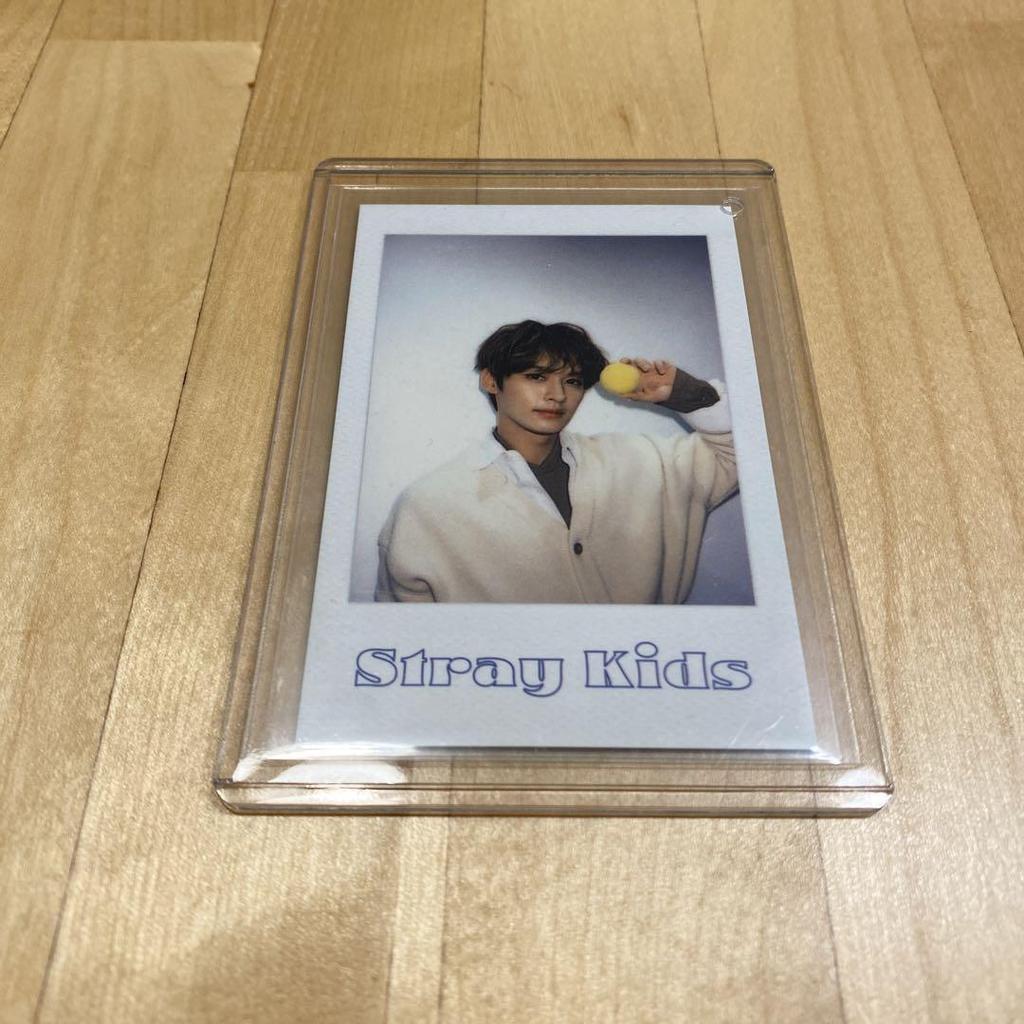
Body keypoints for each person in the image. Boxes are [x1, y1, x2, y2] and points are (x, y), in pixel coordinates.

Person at [375, 320, 737, 604]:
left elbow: (743, 456)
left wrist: (687, 392)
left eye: (573, 381)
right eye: (536, 377)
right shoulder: (428, 506)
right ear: (491, 381)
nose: (557, 395)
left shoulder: (642, 461)